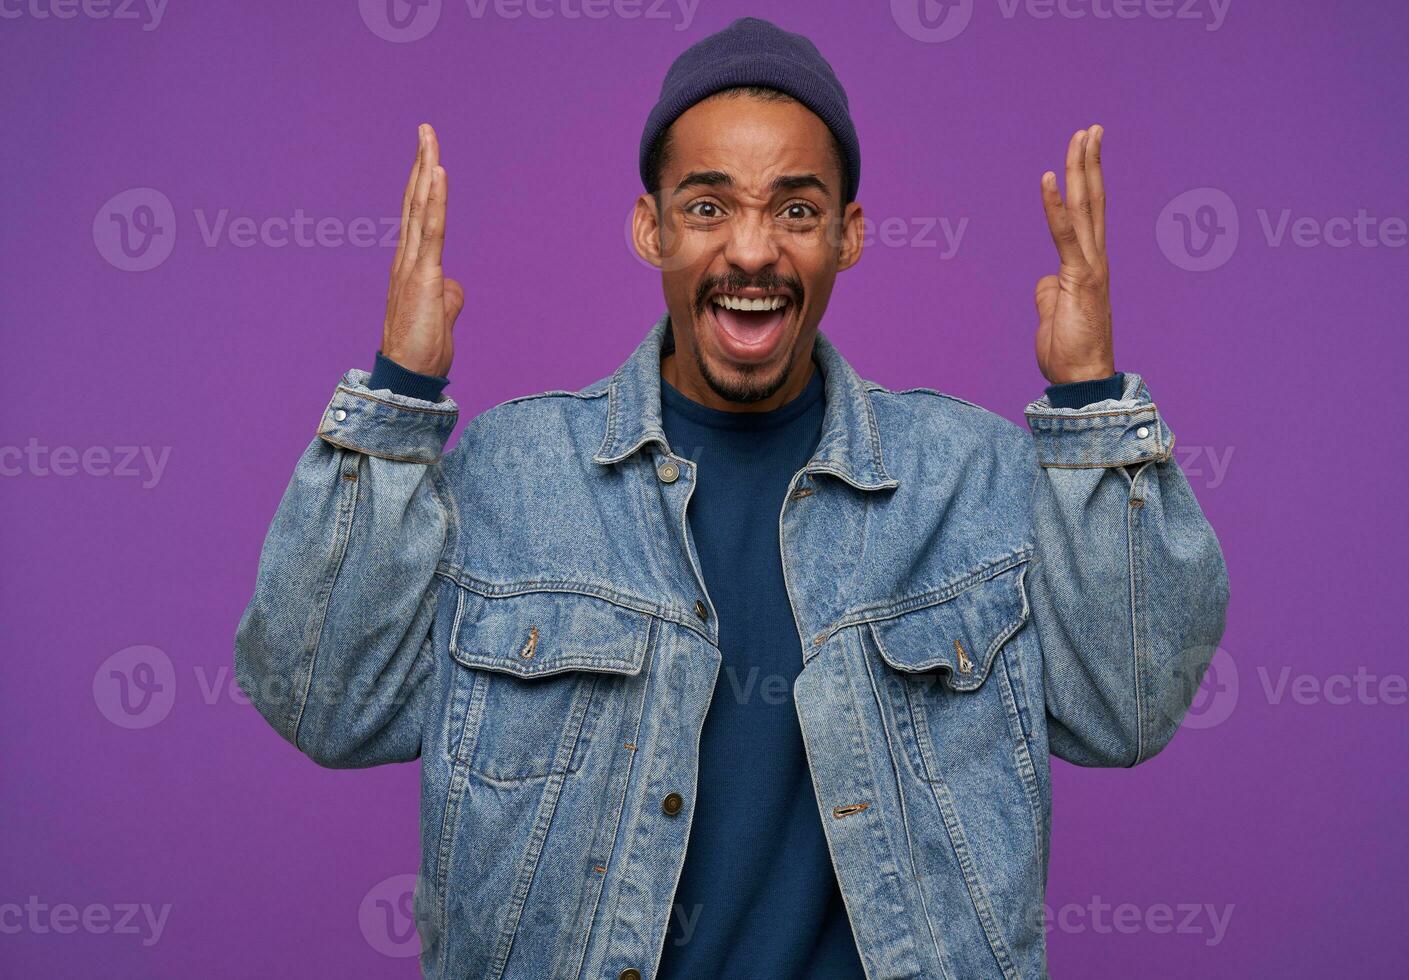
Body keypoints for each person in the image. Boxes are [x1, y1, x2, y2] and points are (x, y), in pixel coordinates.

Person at [235, 16, 1228, 980]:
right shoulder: (507, 478)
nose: (751, 250)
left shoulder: (968, 478)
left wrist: (1090, 396)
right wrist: (399, 395)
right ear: (650, 227)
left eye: (796, 209)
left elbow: (1126, 704)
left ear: (847, 235)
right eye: (708, 205)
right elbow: (325, 700)